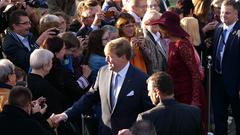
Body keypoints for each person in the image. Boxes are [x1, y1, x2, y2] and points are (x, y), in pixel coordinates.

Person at [51, 37, 153, 135]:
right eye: (106, 56)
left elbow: (148, 113)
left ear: (123, 57)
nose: (106, 60)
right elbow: (89, 97)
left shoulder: (141, 79)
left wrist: (133, 131)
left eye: (110, 57)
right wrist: (65, 114)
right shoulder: (103, 72)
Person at [147, 11, 207, 133]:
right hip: (178, 93)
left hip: (189, 94)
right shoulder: (172, 43)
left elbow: (195, 73)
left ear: (168, 28)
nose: (159, 30)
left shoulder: (182, 44)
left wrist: (195, 101)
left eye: (161, 27)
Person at [137, 72, 202, 135]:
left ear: (157, 92)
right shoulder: (194, 113)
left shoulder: (146, 118)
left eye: (149, 91)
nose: (148, 94)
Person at [212, 0, 240, 135]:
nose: (223, 15)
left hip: (235, 84)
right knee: (219, 117)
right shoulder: (218, 29)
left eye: (227, 13)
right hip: (218, 80)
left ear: (236, 14)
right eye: (222, 12)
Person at [142, 10, 168, 75]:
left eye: (158, 21)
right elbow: (151, 61)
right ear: (146, 23)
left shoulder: (160, 36)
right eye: (152, 21)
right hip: (156, 76)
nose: (155, 24)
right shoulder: (145, 39)